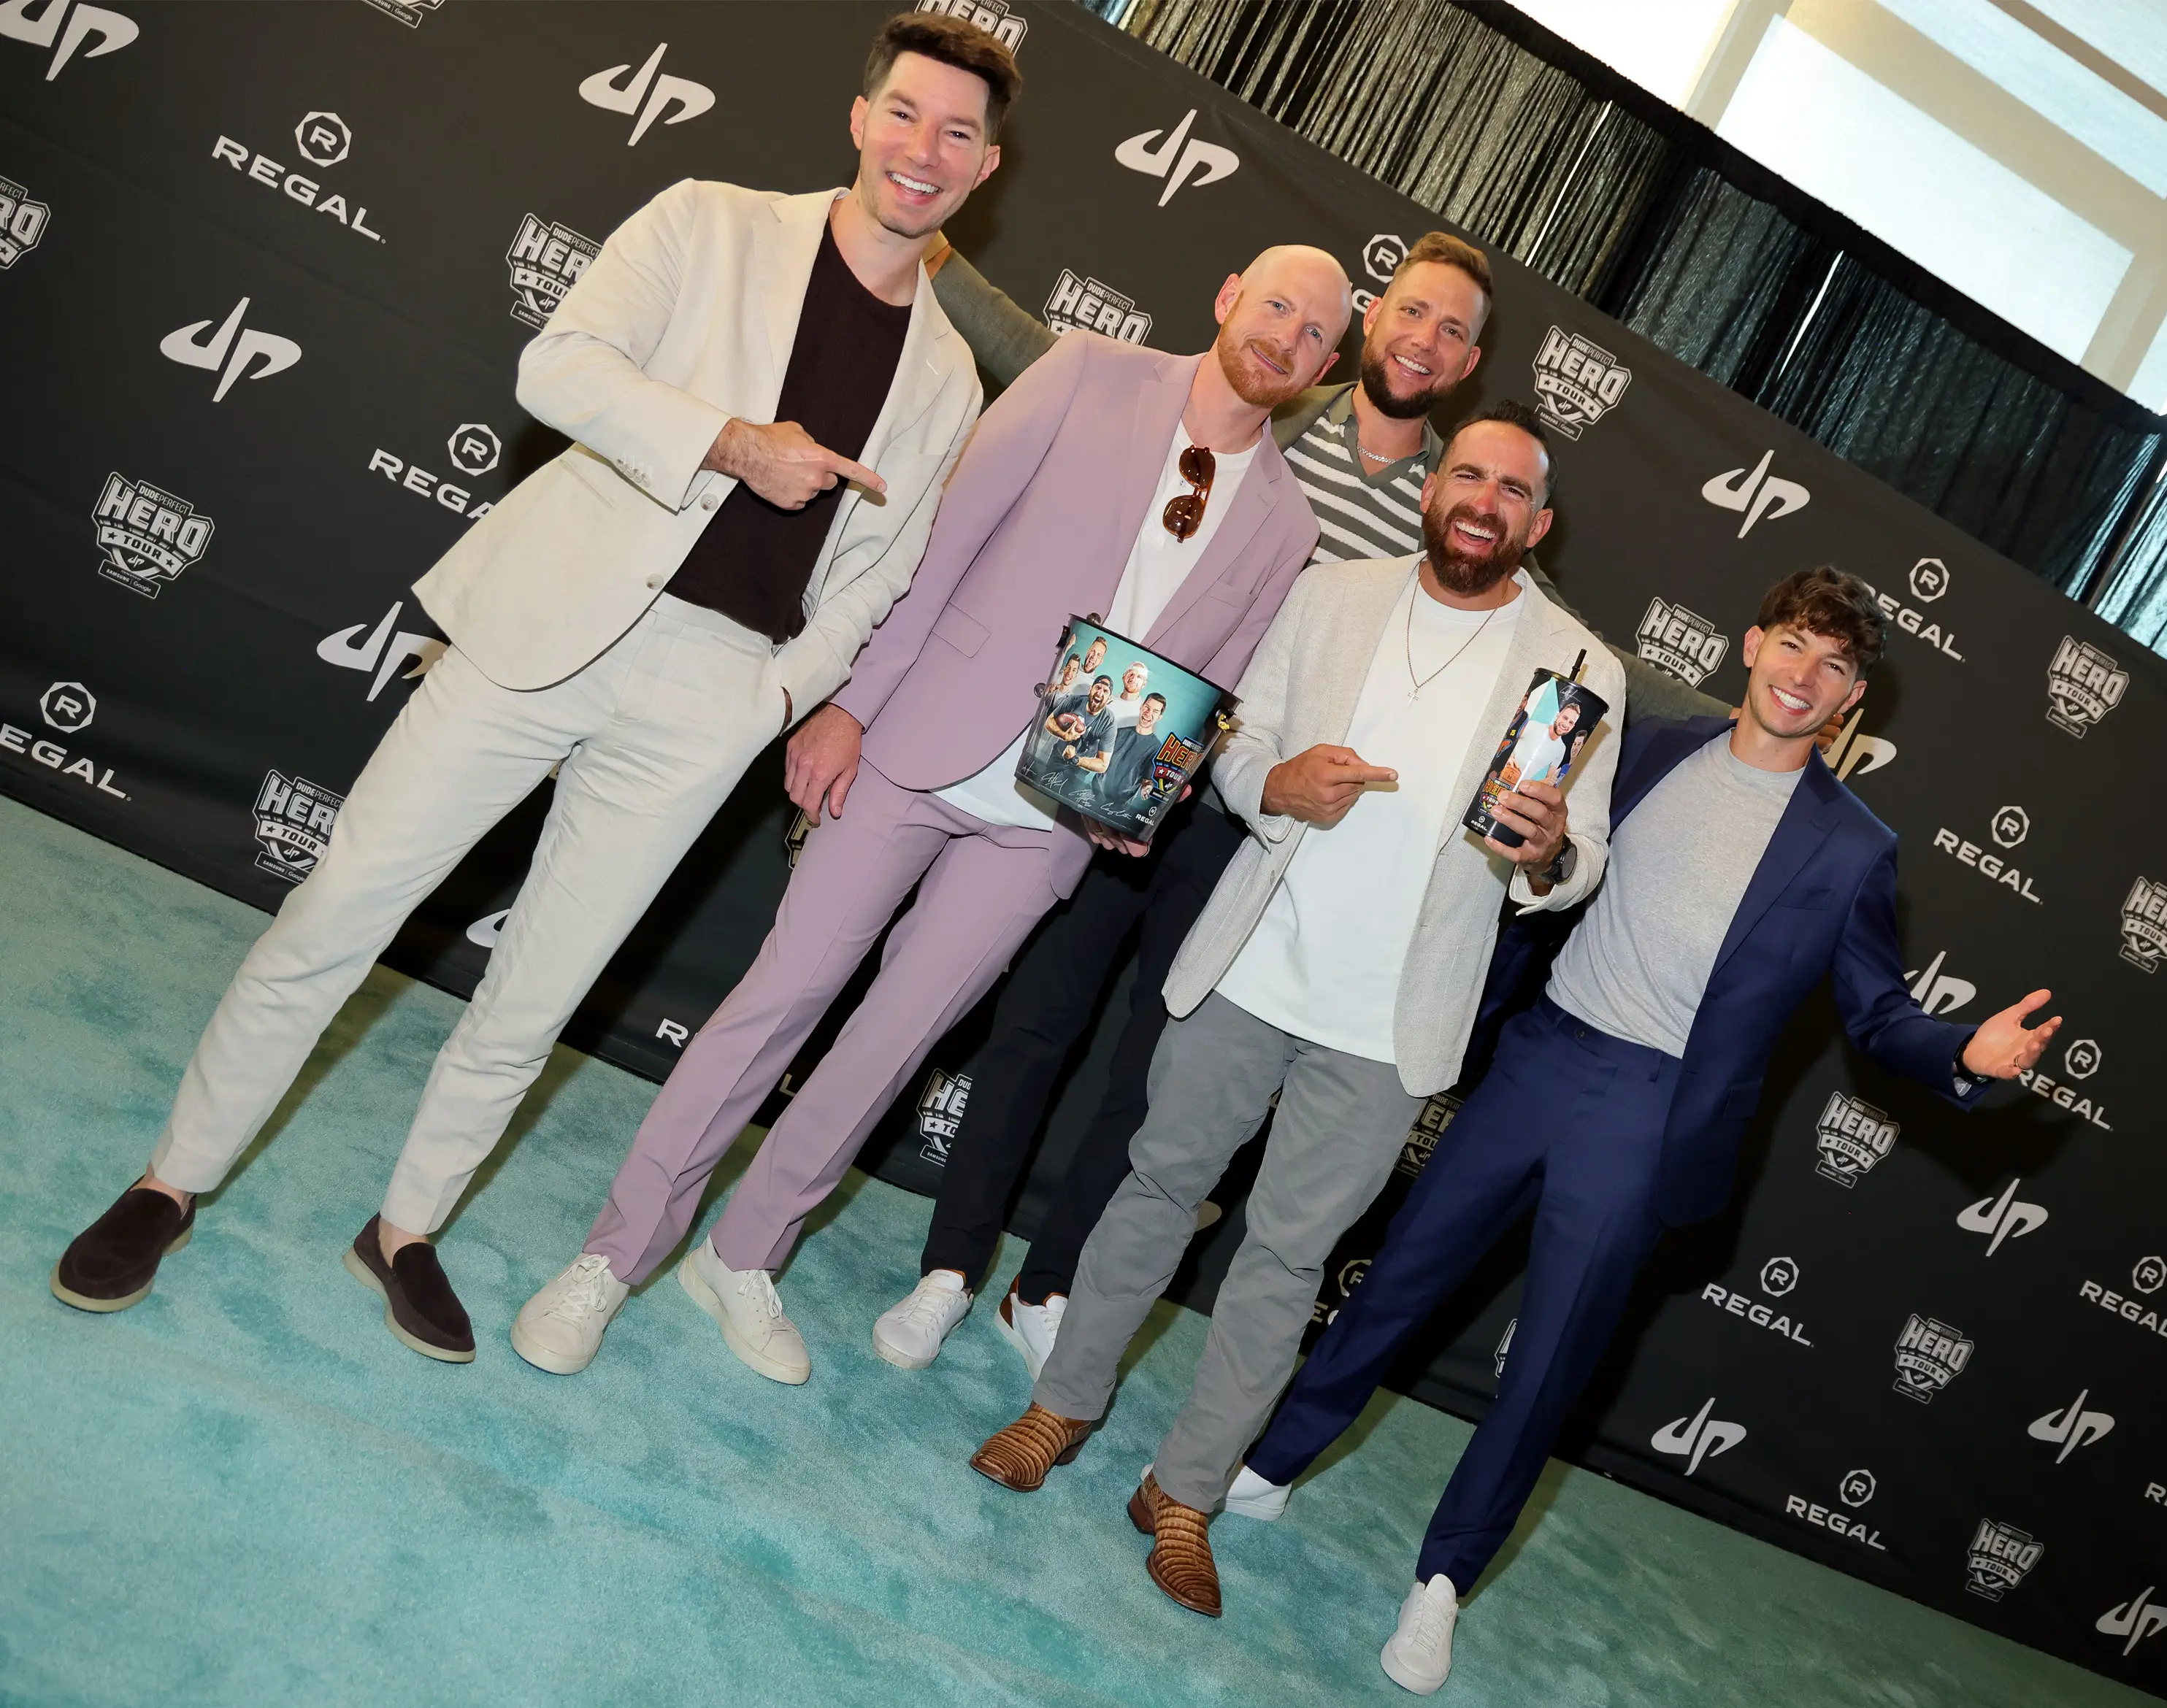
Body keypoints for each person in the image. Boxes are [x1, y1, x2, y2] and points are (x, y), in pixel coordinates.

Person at [46, 12, 1015, 1361]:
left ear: (985, 166)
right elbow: (555, 369)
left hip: (712, 695)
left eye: (958, 133)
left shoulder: (950, 378)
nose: (925, 148)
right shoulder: (712, 220)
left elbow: (881, 573)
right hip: (548, 624)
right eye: (905, 112)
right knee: (340, 908)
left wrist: (772, 700)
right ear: (861, 119)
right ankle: (171, 1181)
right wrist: (731, 443)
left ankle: (406, 1228)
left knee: (537, 995)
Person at [510, 245, 1353, 1382]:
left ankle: (745, 1252)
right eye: (1276, 305)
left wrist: (1146, 792)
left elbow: (1215, 685)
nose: (1286, 336)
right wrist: (851, 704)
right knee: (781, 997)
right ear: (1228, 296)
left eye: (1314, 332)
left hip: (1054, 819)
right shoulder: (1088, 371)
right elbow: (940, 537)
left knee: (893, 1045)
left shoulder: (1290, 524)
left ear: (1325, 366)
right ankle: (615, 1256)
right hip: (915, 741)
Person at [899, 233, 1725, 1383]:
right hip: (1139, 756)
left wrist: (1758, 716)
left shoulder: (1461, 502)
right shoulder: (1269, 408)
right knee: (1037, 1019)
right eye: (1414, 313)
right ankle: (948, 1268)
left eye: (1453, 332)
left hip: (1257, 827)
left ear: (1466, 364)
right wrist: (943, 268)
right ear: (1373, 318)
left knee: (1154, 1073)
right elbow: (1060, 365)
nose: (1425, 341)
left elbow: (1586, 649)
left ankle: (1048, 1288)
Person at [1234, 566, 2062, 1695]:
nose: (1804, 676)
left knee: (1547, 1365)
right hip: (1541, 1054)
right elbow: (1546, 870)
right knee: (1396, 1283)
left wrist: (1963, 1054)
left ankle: (1442, 1582)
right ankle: (1274, 1461)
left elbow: (1877, 1015)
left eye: (1834, 666)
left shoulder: (1852, 847)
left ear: (1851, 700)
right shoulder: (1647, 747)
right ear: (1751, 645)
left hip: (1653, 1112)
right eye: (1792, 645)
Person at [967, 404, 1627, 1621]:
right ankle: (1061, 1406)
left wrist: (1546, 855)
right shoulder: (1333, 593)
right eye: (1468, 475)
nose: (1483, 501)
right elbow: (1237, 746)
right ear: (1433, 490)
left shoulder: (1584, 668)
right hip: (1254, 965)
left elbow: (1579, 861)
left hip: (1390, 1023)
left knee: (1285, 1262)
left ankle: (1185, 1493)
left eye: (1512, 490)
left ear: (1540, 524)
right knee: (1155, 1188)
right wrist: (1273, 781)